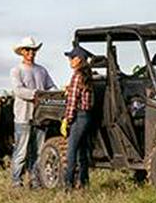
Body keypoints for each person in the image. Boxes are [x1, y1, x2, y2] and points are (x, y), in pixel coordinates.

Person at [10, 36, 56, 188]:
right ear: (22, 52)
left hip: (41, 116)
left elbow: (51, 87)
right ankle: (16, 182)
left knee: (38, 151)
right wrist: (37, 94)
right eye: (28, 50)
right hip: (24, 115)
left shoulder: (41, 70)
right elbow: (18, 90)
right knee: (21, 152)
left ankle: (35, 181)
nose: (31, 52)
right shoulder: (16, 70)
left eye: (33, 50)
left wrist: (56, 94)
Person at [62, 45, 94, 190]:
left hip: (78, 117)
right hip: (87, 117)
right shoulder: (87, 76)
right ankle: (84, 182)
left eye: (72, 58)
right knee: (82, 151)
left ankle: (68, 184)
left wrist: (67, 119)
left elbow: (73, 101)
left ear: (78, 60)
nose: (70, 60)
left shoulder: (77, 76)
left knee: (71, 151)